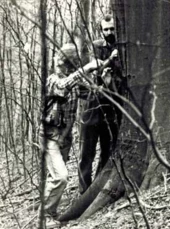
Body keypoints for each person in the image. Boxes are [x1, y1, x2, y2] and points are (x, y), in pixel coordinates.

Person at [39, 43, 117, 226]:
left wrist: (103, 83)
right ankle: (44, 216)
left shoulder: (74, 82)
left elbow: (92, 95)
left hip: (64, 139)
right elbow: (62, 86)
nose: (59, 65)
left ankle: (47, 211)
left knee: (54, 177)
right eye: (59, 62)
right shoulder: (52, 80)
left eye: (63, 63)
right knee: (60, 177)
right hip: (49, 137)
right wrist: (87, 67)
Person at [78, 14, 123, 194]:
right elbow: (95, 70)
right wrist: (111, 59)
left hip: (111, 108)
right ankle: (84, 191)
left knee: (107, 150)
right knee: (86, 153)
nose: (109, 32)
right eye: (106, 29)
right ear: (101, 30)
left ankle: (98, 186)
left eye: (112, 29)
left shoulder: (122, 47)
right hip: (92, 106)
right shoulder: (97, 47)